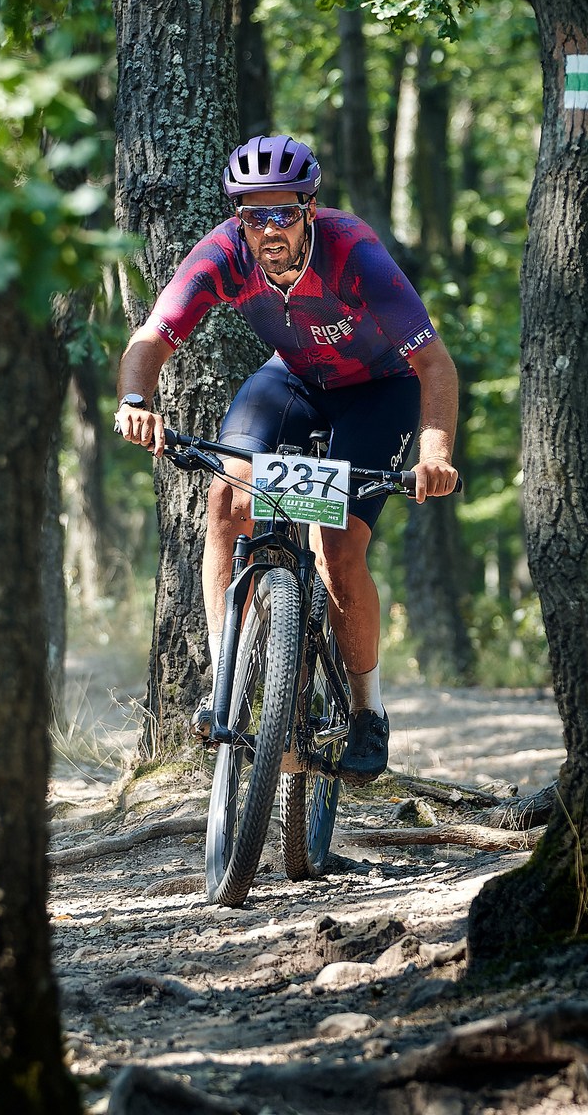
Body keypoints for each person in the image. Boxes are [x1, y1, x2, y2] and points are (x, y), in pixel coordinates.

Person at [114, 134, 459, 784]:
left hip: (378, 393)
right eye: (253, 215)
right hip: (293, 381)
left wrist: (434, 452)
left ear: (309, 209)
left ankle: (366, 711)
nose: (268, 229)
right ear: (236, 217)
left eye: (283, 213)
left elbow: (433, 364)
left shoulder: (354, 252)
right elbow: (150, 340)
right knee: (226, 499)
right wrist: (136, 400)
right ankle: (226, 681)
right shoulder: (222, 254)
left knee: (336, 551)